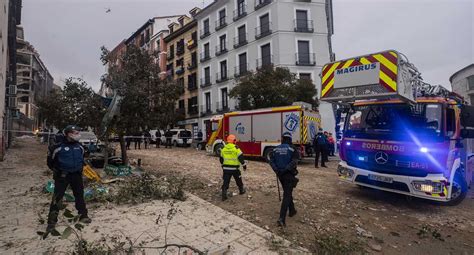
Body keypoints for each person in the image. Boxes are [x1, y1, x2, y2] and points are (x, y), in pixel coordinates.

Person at [46, 125, 91, 232]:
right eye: (75, 133)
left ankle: (83, 215)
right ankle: (52, 222)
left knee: (80, 195)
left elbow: (83, 157)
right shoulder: (57, 147)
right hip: (62, 176)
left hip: (76, 175)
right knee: (57, 199)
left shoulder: (79, 147)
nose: (78, 135)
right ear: (68, 134)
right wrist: (58, 171)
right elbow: (50, 162)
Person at [269, 132, 299, 227]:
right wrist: (286, 169)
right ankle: (281, 218)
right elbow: (294, 161)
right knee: (287, 194)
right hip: (288, 175)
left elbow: (271, 161)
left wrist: (277, 170)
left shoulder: (275, 149)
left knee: (287, 192)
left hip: (280, 175)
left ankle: (292, 211)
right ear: (290, 139)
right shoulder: (292, 149)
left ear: (282, 139)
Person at [219, 134, 247, 201]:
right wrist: (244, 166)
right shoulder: (236, 148)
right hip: (235, 169)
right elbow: (241, 158)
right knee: (238, 180)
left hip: (226, 169)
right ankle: (241, 190)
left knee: (226, 182)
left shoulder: (223, 148)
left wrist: (224, 165)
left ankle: (224, 195)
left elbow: (221, 160)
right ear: (234, 141)